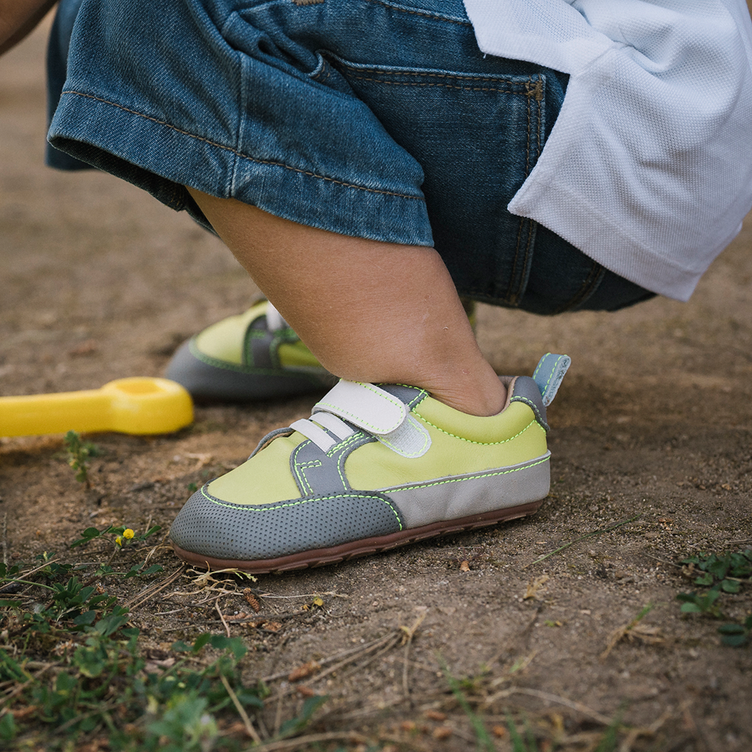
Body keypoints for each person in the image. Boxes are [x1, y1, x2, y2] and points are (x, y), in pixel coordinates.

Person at [4, 0, 752, 573]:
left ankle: (447, 405)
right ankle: (384, 291)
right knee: (96, 13)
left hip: (620, 130)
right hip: (604, 113)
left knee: (169, 11)